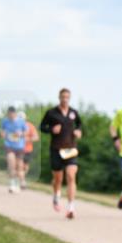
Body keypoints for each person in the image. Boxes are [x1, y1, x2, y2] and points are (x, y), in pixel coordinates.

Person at [40, 88, 83, 219]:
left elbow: (80, 124)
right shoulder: (51, 113)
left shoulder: (73, 112)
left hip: (71, 149)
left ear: (69, 98)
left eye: (67, 97)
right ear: (59, 97)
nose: (65, 99)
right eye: (63, 97)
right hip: (56, 149)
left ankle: (71, 208)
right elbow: (42, 127)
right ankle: (56, 194)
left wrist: (78, 131)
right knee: (58, 178)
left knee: (71, 175)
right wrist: (51, 129)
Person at [0, 107, 27, 192]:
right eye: (9, 115)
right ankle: (12, 184)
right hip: (9, 145)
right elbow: (2, 131)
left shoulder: (21, 121)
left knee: (19, 166)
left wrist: (21, 134)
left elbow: (26, 132)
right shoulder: (5, 121)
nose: (10, 116)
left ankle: (22, 181)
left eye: (12, 114)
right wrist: (3, 134)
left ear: (15, 114)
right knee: (11, 164)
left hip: (19, 146)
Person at [19, 111, 40, 187]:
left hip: (28, 149)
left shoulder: (30, 126)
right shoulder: (15, 126)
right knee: (20, 165)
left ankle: (22, 177)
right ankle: (22, 181)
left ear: (25, 118)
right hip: (18, 149)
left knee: (25, 166)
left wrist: (27, 139)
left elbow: (36, 137)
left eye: (22, 118)